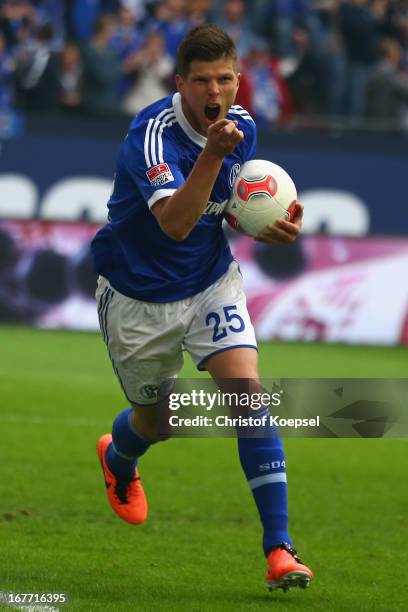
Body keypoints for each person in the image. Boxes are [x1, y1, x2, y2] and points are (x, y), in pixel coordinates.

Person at [91, 23, 313, 592]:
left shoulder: (243, 128)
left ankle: (279, 551)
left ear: (237, 79)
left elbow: (225, 212)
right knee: (158, 423)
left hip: (211, 281)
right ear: (180, 83)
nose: (215, 93)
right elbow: (174, 223)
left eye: (225, 79)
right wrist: (212, 155)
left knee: (248, 397)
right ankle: (119, 456)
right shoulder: (151, 136)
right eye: (202, 81)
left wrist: (268, 227)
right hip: (139, 298)